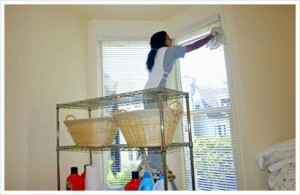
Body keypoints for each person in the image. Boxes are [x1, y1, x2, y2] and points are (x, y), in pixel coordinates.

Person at [143, 28, 220, 172]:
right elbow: (195, 46)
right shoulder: (168, 51)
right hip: (156, 93)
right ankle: (154, 168)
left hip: (148, 93)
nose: (171, 39)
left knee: (155, 131)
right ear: (163, 41)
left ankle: (154, 166)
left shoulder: (155, 54)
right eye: (168, 37)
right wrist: (212, 35)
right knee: (158, 131)